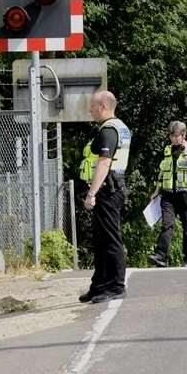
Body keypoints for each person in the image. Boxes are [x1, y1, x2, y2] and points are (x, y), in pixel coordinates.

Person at [78, 91, 132, 303]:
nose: (90, 109)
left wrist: (92, 193)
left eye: (92, 106)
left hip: (107, 191)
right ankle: (99, 285)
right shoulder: (119, 127)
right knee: (100, 241)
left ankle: (116, 285)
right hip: (111, 189)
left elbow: (104, 162)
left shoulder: (109, 130)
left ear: (103, 107)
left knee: (110, 239)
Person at [148, 121, 187, 268]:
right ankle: (160, 256)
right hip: (168, 194)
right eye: (171, 135)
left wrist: (186, 156)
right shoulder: (166, 150)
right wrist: (156, 191)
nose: (173, 139)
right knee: (167, 225)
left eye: (176, 136)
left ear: (183, 135)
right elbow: (162, 172)